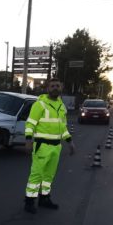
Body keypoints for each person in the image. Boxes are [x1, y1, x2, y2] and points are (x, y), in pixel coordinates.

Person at [24, 78, 75, 213]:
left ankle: (44, 199)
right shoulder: (40, 104)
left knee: (48, 176)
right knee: (36, 175)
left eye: (57, 86)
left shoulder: (61, 106)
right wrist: (28, 140)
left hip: (56, 147)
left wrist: (70, 141)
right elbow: (30, 124)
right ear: (47, 89)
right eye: (52, 86)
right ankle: (29, 201)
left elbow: (63, 127)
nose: (55, 88)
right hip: (42, 145)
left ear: (61, 88)